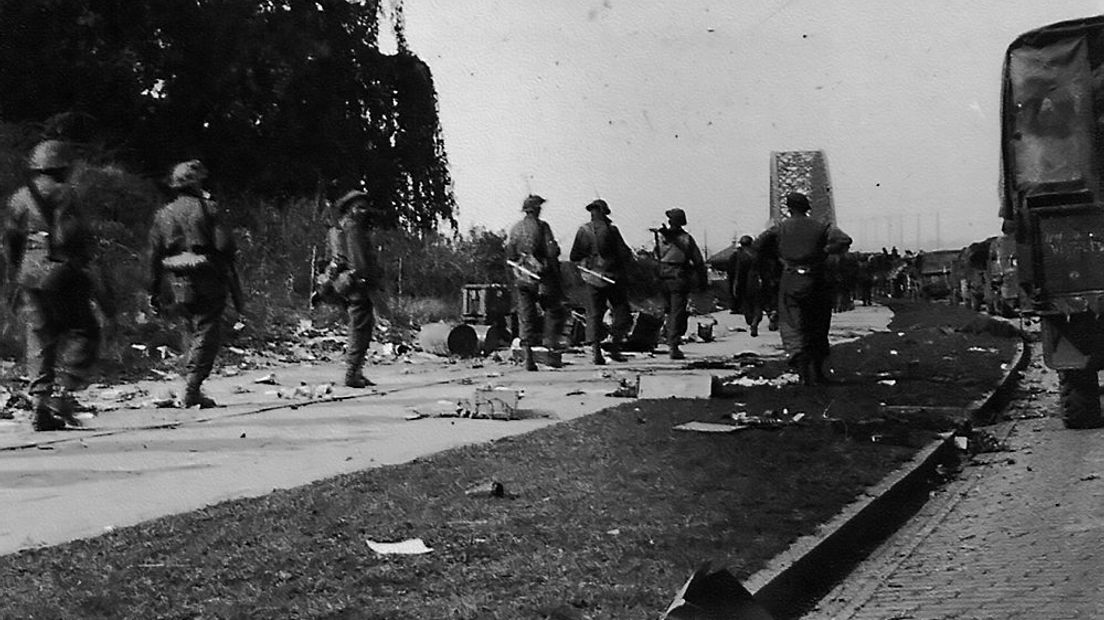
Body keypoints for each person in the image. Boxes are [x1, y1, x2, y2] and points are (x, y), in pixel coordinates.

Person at [4, 140, 115, 430]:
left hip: (29, 274)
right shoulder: (66, 193)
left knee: (40, 337)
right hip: (61, 272)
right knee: (85, 329)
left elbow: (12, 241)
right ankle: (65, 392)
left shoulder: (19, 197)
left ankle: (39, 404)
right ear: (63, 167)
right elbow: (71, 235)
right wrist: (83, 262)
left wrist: (17, 272)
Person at [148, 160, 242, 408]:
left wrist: (154, 289)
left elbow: (153, 256)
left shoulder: (163, 215)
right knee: (207, 331)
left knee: (190, 330)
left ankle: (191, 383)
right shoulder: (210, 209)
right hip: (207, 278)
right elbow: (225, 247)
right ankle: (192, 386)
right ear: (197, 183)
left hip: (176, 281)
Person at [755, 192, 852, 385]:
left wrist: (777, 257)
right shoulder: (822, 227)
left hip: (791, 279)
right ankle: (818, 372)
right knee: (818, 324)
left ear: (789, 208)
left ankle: (802, 373)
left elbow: (758, 245)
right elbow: (844, 240)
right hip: (817, 279)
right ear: (807, 207)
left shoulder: (779, 229)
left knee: (793, 325)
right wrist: (825, 251)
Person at [321, 190, 383, 388]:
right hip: (358, 285)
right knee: (360, 329)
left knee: (360, 327)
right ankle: (352, 372)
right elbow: (358, 261)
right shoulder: (353, 228)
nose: (364, 211)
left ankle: (357, 370)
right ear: (350, 209)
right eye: (359, 207)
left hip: (348, 284)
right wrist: (366, 279)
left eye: (365, 206)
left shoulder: (340, 228)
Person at [505, 194, 567, 371]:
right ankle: (549, 347)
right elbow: (551, 251)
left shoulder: (515, 228)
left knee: (526, 317)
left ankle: (529, 359)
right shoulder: (542, 226)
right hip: (541, 278)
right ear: (536, 209)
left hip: (521, 278)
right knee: (554, 310)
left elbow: (510, 254)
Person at [569, 199, 633, 365]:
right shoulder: (612, 230)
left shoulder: (583, 231)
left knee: (593, 314)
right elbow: (624, 254)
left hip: (591, 277)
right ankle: (615, 347)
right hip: (612, 277)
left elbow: (574, 256)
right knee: (622, 312)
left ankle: (596, 352)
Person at [652, 208, 707, 360]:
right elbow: (698, 261)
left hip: (662, 277)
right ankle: (673, 345)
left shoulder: (661, 238)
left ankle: (666, 338)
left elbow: (655, 256)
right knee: (677, 312)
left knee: (668, 311)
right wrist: (703, 282)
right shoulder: (686, 239)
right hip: (678, 278)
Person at [726, 235, 763, 337]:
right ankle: (755, 322)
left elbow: (732, 271)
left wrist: (734, 286)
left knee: (746, 305)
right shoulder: (758, 254)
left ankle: (751, 322)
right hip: (757, 282)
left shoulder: (738, 255)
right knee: (758, 305)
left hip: (744, 283)